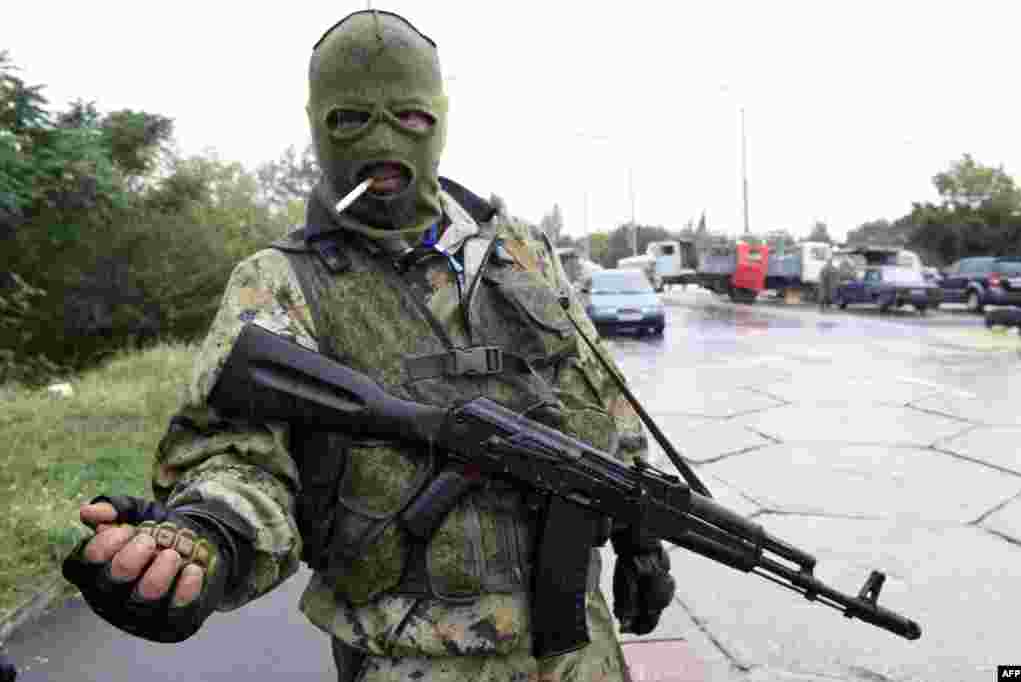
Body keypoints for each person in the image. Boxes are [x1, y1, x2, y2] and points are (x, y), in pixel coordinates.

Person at [62, 10, 676, 681]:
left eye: (409, 118)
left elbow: (595, 391)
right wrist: (209, 537)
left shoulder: (522, 250)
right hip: (412, 662)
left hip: (580, 655)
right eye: (351, 120)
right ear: (316, 123)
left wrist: (638, 530)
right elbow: (238, 457)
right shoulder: (281, 281)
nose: (384, 145)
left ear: (439, 119)